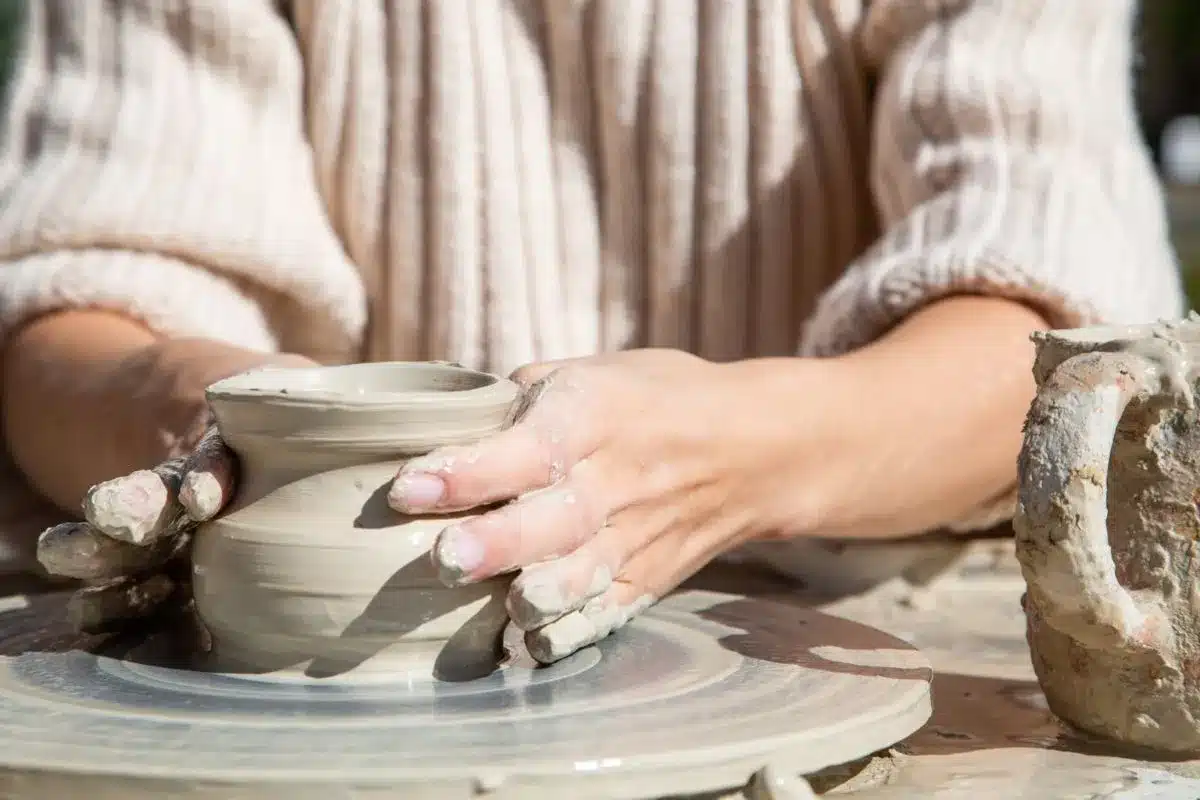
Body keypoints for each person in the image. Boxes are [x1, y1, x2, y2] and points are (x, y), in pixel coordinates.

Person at [0, 0, 1183, 662]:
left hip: (853, 614)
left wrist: (743, 446)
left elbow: (1070, 342)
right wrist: (235, 419)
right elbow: (75, 295)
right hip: (323, 664)